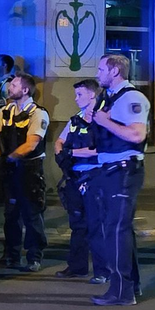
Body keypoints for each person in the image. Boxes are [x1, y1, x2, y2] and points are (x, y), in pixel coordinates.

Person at [89, 54, 150, 306]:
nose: (98, 73)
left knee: (116, 230)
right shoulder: (109, 97)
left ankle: (121, 290)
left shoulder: (131, 97)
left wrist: (105, 121)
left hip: (123, 169)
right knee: (117, 229)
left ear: (115, 71)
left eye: (101, 69)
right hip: (111, 168)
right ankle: (129, 286)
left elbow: (137, 134)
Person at [0, 73, 48, 273]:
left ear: (25, 90)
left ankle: (34, 256)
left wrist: (10, 158)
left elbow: (31, 144)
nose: (9, 87)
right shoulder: (5, 111)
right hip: (10, 169)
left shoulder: (38, 113)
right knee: (11, 215)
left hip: (29, 170)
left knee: (32, 214)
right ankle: (11, 255)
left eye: (13, 84)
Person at [53, 78, 102, 280]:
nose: (75, 98)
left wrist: (72, 152)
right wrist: (61, 154)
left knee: (97, 226)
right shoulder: (75, 119)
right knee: (78, 225)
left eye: (79, 94)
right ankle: (77, 266)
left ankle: (103, 271)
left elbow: (100, 150)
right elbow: (59, 142)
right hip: (74, 176)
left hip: (94, 178)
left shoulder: (102, 119)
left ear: (92, 95)